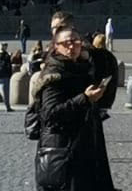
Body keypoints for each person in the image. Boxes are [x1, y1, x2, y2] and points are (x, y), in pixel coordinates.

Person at [33, 24, 114, 191]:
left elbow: (106, 60)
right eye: (66, 43)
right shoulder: (54, 76)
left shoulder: (82, 69)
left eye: (76, 42)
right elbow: (50, 114)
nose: (72, 46)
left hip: (85, 150)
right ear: (56, 46)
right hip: (63, 152)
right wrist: (84, 98)